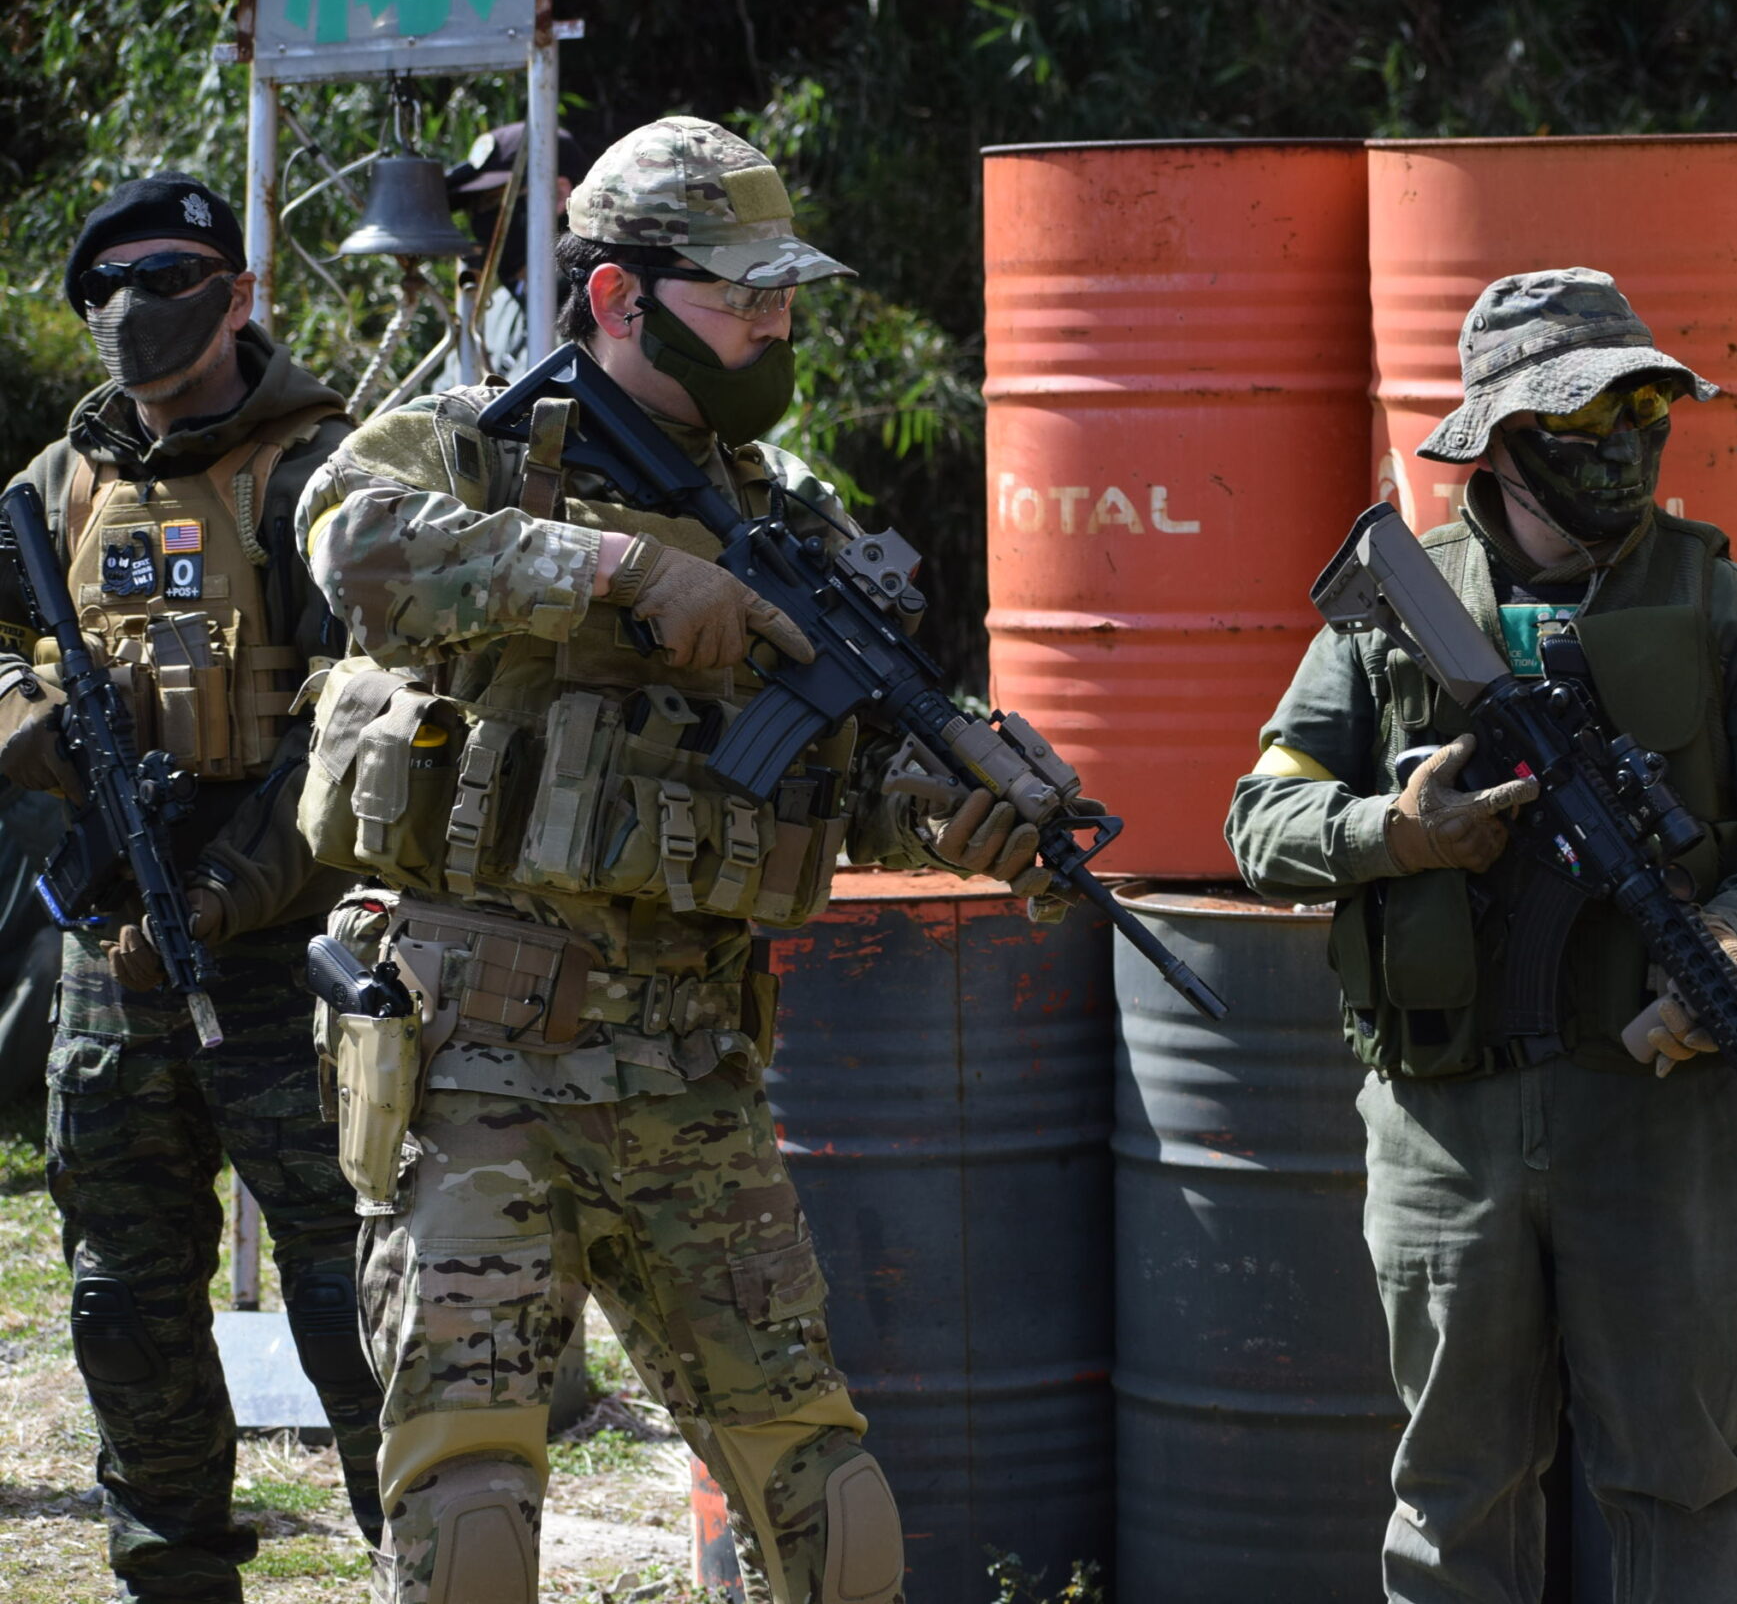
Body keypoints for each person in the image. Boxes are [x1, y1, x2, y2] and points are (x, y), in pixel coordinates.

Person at [295, 114, 1044, 1604]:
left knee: (829, 1501)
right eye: (742, 293)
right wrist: (615, 567)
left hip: (689, 1070)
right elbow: (345, 539)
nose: (776, 325)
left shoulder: (791, 519)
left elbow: (850, 775)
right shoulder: (472, 443)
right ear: (617, 298)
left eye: (785, 295)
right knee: (472, 1510)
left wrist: (958, 803)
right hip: (474, 1058)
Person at [1227, 268, 1737, 1604]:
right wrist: (1395, 833)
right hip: (1447, 1118)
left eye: (1645, 410)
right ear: (1503, 439)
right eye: (1585, 417)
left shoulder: (1733, 614)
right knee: (1454, 1494)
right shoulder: (1400, 613)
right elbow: (1260, 820)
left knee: (1683, 1481)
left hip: (1665, 1117)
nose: (1626, 444)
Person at [0, 173, 380, 1602]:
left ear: (237, 294)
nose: (132, 307)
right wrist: (24, 717)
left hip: (289, 962)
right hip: (112, 955)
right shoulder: (62, 481)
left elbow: (362, 723)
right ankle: (168, 1568)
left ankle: (424, 1555)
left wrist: (222, 893)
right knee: (123, 1292)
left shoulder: (318, 474)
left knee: (353, 1292)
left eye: (167, 276)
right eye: (104, 283)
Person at [432, 120, 587, 389]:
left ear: (558, 194)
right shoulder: (492, 310)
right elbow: (444, 395)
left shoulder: (605, 304)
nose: (480, 220)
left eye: (494, 202)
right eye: (473, 210)